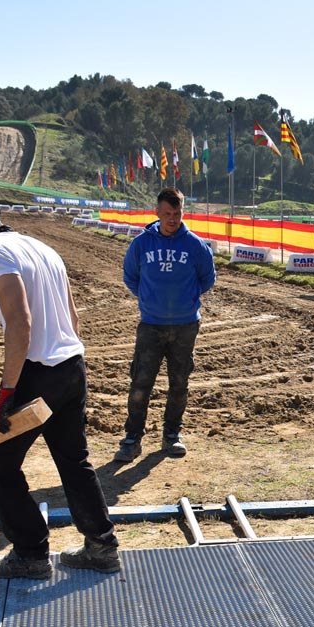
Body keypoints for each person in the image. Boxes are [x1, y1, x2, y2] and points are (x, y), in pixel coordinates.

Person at [0, 198, 119, 578]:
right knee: (74, 461)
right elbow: (73, 318)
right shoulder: (43, 248)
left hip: (37, 372)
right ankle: (102, 546)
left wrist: (7, 393)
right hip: (72, 367)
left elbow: (20, 323)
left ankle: (30, 553)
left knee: (0, 463)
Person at [115, 188, 216, 463]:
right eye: (167, 213)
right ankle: (132, 438)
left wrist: (185, 300)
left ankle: (171, 435)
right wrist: (150, 299)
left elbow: (207, 278)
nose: (172, 219)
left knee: (179, 383)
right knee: (140, 384)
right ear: (157, 212)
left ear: (183, 212)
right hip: (151, 324)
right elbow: (130, 277)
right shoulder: (141, 244)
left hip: (185, 326)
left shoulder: (195, 245)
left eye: (177, 213)